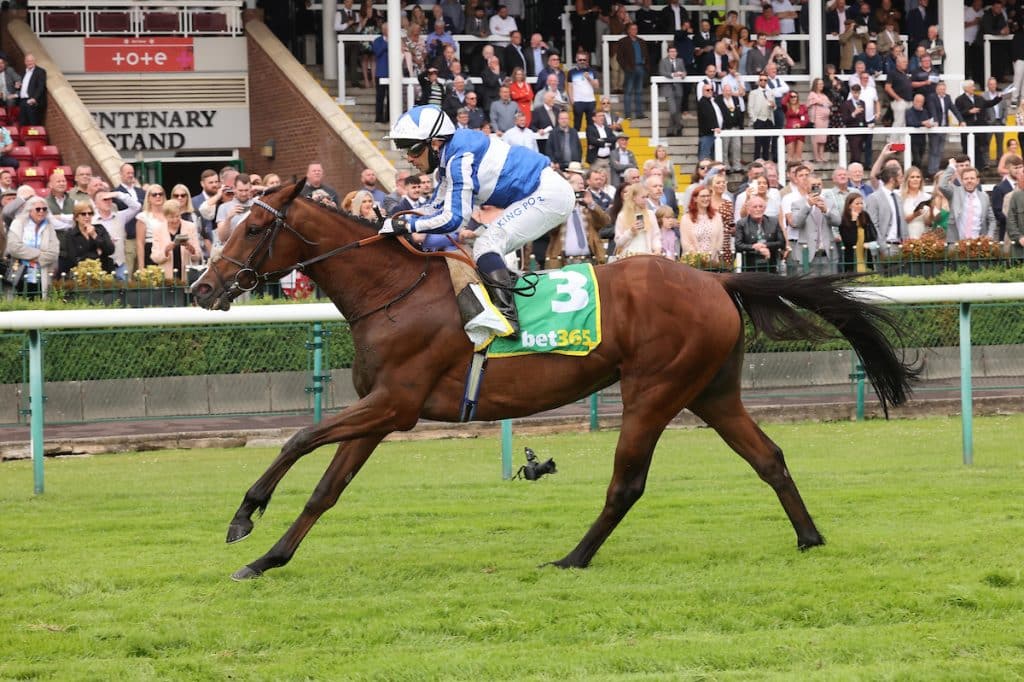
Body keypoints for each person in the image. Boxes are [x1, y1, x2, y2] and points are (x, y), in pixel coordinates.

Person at [379, 105, 573, 336]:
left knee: (485, 245)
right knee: (486, 247)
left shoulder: (459, 159)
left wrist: (407, 225)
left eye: (413, 148)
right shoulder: (448, 159)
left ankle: (508, 320)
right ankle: (508, 303)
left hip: (548, 194)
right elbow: (434, 207)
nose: (409, 158)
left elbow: (454, 220)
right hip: (540, 193)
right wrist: (399, 214)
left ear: (436, 143)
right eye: (403, 150)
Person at [545, 171, 609, 267]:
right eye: (577, 182)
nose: (581, 185)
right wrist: (566, 204)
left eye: (582, 183)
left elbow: (605, 221)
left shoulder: (588, 208)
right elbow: (551, 229)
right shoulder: (560, 208)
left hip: (588, 259)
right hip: (563, 260)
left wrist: (591, 204)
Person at [5, 197, 59, 298]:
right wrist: (40, 254)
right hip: (19, 273)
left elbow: (54, 252)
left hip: (41, 273)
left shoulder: (49, 227)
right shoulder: (18, 223)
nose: (41, 211)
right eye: (38, 209)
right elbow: (14, 247)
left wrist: (31, 256)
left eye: (44, 209)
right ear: (29, 210)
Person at [937, 162, 997, 242]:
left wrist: (989, 235)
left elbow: (992, 220)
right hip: (957, 243)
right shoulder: (954, 192)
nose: (969, 181)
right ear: (961, 181)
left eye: (972, 178)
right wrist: (951, 167)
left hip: (978, 243)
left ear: (977, 180)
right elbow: (942, 185)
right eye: (966, 179)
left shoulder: (984, 197)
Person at [734, 195, 784, 272]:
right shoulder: (741, 223)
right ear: (749, 209)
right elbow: (738, 245)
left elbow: (781, 242)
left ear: (765, 208)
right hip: (750, 266)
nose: (758, 209)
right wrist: (755, 247)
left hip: (770, 264)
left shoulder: (774, 221)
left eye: (761, 206)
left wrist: (765, 245)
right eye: (755, 207)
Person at [679, 184, 724, 267]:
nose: (706, 199)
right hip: (693, 263)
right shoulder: (686, 219)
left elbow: (719, 240)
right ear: (695, 199)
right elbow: (686, 243)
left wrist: (710, 258)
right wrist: (700, 259)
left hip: (712, 262)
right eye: (703, 196)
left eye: (708, 196)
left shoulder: (717, 217)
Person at [66, 199, 114, 275]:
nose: (87, 216)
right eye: (83, 214)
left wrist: (94, 235)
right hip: (82, 273)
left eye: (90, 213)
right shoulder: (71, 234)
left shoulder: (100, 229)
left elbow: (110, 250)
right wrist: (97, 254)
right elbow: (73, 258)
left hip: (103, 271)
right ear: (76, 217)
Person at [612, 182, 659, 258]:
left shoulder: (650, 214)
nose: (646, 200)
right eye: (643, 197)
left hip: (647, 256)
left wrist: (657, 249)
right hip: (628, 257)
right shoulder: (622, 216)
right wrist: (630, 232)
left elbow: (656, 236)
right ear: (634, 197)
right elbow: (618, 243)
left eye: (647, 197)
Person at [615, 23, 648, 120]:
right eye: (633, 29)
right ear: (628, 30)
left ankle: (639, 114)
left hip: (641, 67)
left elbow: (646, 55)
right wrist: (626, 67)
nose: (635, 31)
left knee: (639, 91)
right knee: (628, 91)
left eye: (636, 29)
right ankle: (628, 114)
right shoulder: (623, 41)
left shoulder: (641, 41)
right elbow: (619, 57)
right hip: (630, 68)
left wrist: (646, 66)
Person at [838, 193, 878, 272]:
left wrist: (868, 243)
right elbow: (850, 241)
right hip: (852, 256)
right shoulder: (844, 220)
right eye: (857, 203)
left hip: (865, 253)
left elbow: (873, 233)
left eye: (861, 203)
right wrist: (853, 221)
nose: (860, 206)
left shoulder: (865, 215)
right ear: (849, 206)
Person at [659, 45, 686, 137]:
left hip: (678, 88)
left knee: (677, 111)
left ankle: (671, 131)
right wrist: (673, 74)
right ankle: (679, 126)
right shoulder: (663, 61)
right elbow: (662, 72)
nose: (673, 53)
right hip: (668, 89)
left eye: (674, 51)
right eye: (671, 51)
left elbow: (684, 71)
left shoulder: (680, 61)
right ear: (668, 52)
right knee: (673, 110)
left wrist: (683, 74)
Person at [901, 166, 932, 239]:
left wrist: (929, 217)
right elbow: (900, 221)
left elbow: (930, 223)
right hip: (906, 235)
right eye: (912, 177)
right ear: (907, 179)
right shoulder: (900, 197)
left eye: (918, 177)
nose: (915, 179)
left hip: (923, 235)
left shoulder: (927, 197)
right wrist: (914, 215)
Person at [17, 53, 46, 126]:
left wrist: (34, 98)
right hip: (23, 101)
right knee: (22, 123)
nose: (29, 62)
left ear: (35, 61)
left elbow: (41, 87)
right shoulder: (23, 72)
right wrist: (19, 85)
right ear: (25, 62)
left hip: (32, 101)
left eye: (31, 61)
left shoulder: (40, 71)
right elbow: (25, 86)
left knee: (33, 124)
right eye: (27, 61)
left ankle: (34, 137)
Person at [782, 91, 809, 162]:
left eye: (795, 96)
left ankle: (798, 172)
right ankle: (789, 172)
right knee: (790, 156)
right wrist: (789, 94)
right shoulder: (786, 107)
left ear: (797, 97)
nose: (793, 98)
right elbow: (783, 102)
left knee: (799, 156)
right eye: (791, 97)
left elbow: (806, 119)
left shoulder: (802, 107)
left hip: (800, 131)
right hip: (789, 131)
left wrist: (800, 124)